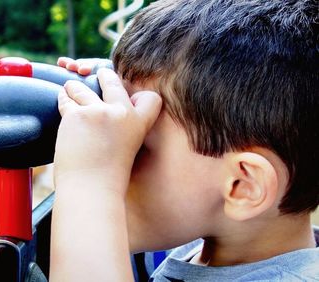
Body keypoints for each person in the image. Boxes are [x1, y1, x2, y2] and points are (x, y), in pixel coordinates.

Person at [49, 0, 319, 281]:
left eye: (139, 143)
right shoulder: (199, 241)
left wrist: (89, 179)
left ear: (242, 185)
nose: (117, 150)